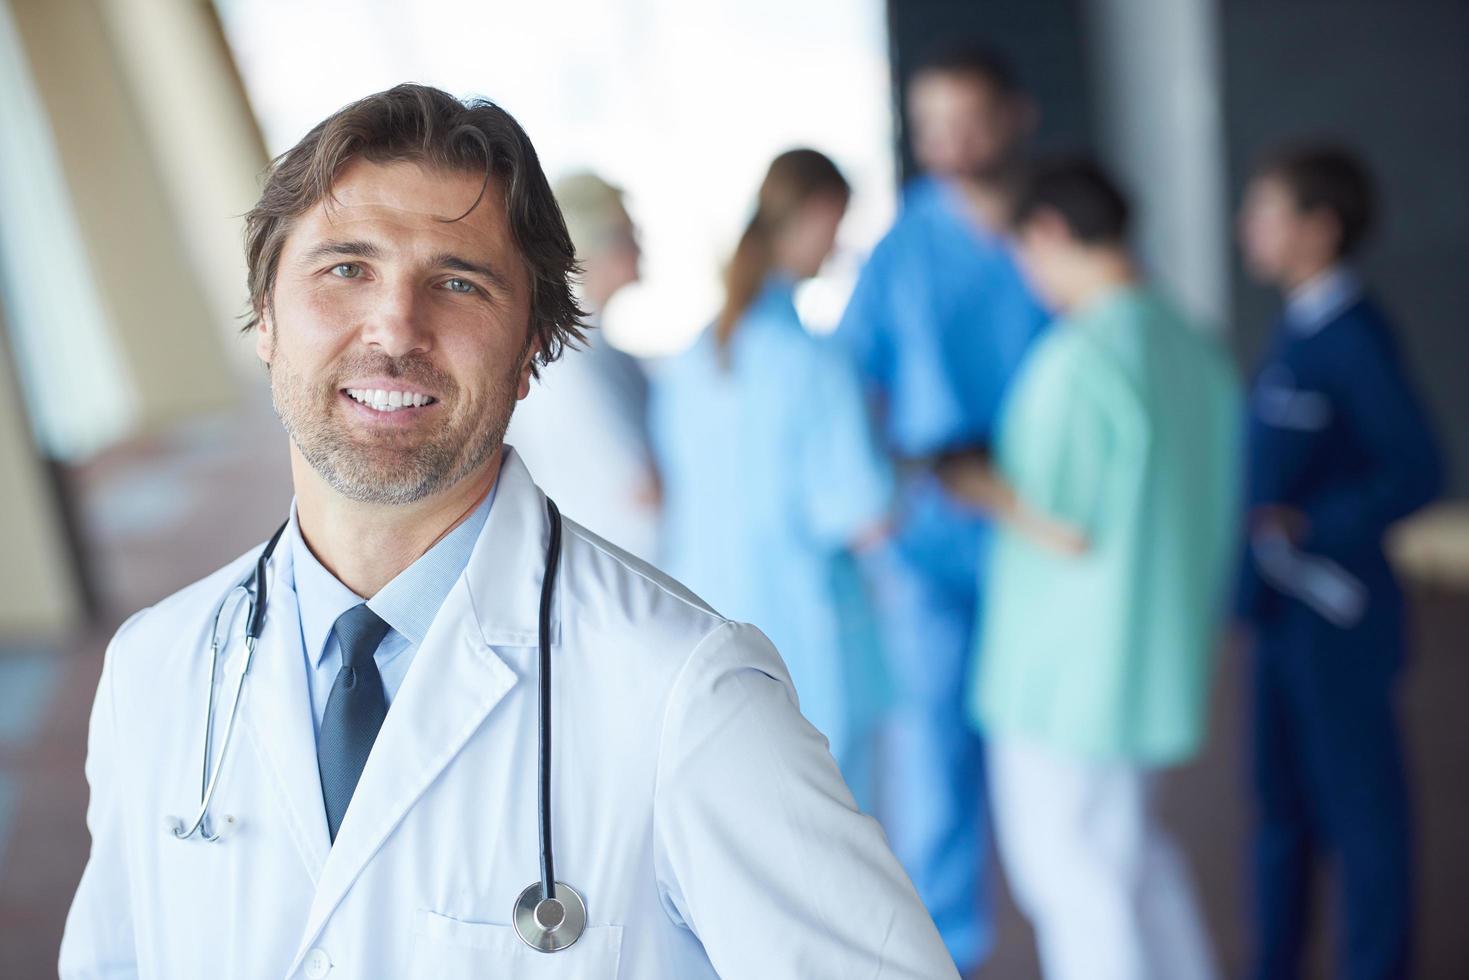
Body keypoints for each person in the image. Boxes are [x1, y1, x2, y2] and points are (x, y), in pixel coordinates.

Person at [57, 85, 958, 980]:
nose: (395, 327)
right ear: (266, 314)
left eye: (457, 282)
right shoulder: (156, 669)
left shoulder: (688, 696)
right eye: (345, 269)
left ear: (533, 346)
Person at [940, 159, 1239, 980]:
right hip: (1150, 660)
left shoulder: (1080, 359)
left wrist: (970, 481)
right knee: (1132, 861)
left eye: (1023, 256)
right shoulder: (1190, 344)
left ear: (1047, 234)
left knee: (1075, 882)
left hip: (1064, 677)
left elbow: (1062, 525)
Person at [835, 40, 1048, 969]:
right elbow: (848, 389)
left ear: (1015, 118)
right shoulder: (901, 252)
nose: (949, 145)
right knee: (938, 776)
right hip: (931, 548)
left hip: (1045, 539)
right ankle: (945, 958)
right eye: (930, 127)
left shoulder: (1058, 232)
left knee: (1058, 775)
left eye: (967, 122)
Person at [1235, 144, 1442, 980]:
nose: (1246, 228)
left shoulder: (1355, 338)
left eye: (1265, 211)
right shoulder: (1296, 325)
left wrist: (1311, 527)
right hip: (1282, 623)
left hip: (1336, 625)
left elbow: (1418, 470)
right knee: (1278, 813)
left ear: (1318, 229)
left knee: (1362, 821)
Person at [650, 149, 893, 806]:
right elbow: (863, 517)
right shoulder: (812, 362)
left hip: (706, 633)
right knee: (834, 848)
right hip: (810, 640)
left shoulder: (694, 359)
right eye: (837, 227)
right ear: (817, 216)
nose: (837, 247)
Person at [504, 172, 660, 561]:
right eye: (626, 230)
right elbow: (640, 485)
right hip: (619, 565)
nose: (639, 241)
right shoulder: (575, 357)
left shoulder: (588, 349)